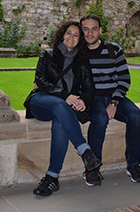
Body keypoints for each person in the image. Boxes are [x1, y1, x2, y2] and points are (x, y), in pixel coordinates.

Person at [23, 20, 102, 196]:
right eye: (69, 33)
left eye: (76, 35)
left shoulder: (82, 61)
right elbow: (41, 82)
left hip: (64, 108)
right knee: (60, 104)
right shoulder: (47, 55)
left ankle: (52, 178)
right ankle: (85, 150)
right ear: (62, 34)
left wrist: (84, 101)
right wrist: (65, 95)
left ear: (80, 39)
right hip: (41, 102)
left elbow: (89, 88)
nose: (71, 37)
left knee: (60, 121)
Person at [80, 13, 140, 186]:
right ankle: (92, 169)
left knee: (136, 117)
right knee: (99, 119)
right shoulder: (79, 54)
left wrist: (114, 102)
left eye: (94, 29)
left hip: (116, 96)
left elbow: (124, 78)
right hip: (93, 97)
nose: (90, 33)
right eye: (85, 29)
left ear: (100, 30)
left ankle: (133, 165)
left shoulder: (113, 49)